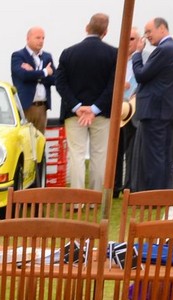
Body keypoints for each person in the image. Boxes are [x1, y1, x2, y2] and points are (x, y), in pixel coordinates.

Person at [55, 14, 119, 191]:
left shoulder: (68, 53)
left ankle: (77, 200)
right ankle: (95, 198)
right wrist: (95, 108)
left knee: (76, 155)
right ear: (105, 32)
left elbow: (60, 83)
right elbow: (114, 85)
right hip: (102, 114)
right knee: (99, 155)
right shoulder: (114, 54)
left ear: (86, 27)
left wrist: (76, 106)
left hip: (74, 114)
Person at [130, 17, 173, 191]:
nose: (146, 36)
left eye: (149, 32)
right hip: (167, 111)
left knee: (154, 157)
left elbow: (141, 75)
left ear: (162, 28)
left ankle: (154, 195)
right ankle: (164, 193)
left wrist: (137, 54)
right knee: (165, 156)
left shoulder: (163, 49)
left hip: (155, 112)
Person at [11, 26, 54, 133]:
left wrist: (34, 74)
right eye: (38, 38)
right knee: (25, 139)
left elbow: (54, 79)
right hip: (26, 107)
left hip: (42, 107)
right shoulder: (18, 56)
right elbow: (24, 76)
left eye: (43, 38)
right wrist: (44, 72)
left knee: (40, 139)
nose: (41, 41)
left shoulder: (47, 57)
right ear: (28, 38)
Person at [115, 26, 140, 192]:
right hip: (117, 109)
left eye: (131, 39)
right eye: (126, 38)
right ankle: (115, 185)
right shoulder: (116, 59)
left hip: (134, 110)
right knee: (115, 148)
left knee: (132, 149)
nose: (128, 42)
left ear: (138, 41)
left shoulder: (144, 59)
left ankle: (129, 185)